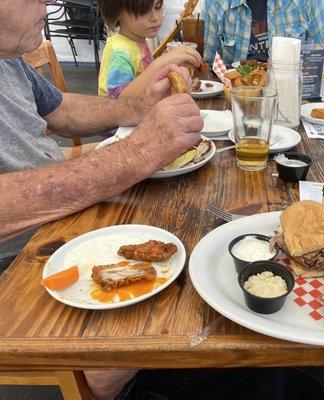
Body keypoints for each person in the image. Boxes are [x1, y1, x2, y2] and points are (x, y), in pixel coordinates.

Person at [0, 0, 203, 398]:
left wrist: (136, 108)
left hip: (58, 226)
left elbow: (60, 108)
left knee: (191, 230)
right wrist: (134, 154)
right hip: (16, 264)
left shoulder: (8, 56)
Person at [98, 0, 202, 98]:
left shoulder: (136, 42)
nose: (155, 17)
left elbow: (144, 80)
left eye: (158, 7)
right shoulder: (120, 52)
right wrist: (161, 62)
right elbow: (119, 101)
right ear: (117, 13)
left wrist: (170, 67)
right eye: (143, 11)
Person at [201, 0, 324, 63]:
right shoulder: (216, 3)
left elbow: (319, 59)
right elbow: (209, 62)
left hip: (292, 93)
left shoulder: (308, 2)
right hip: (237, 92)